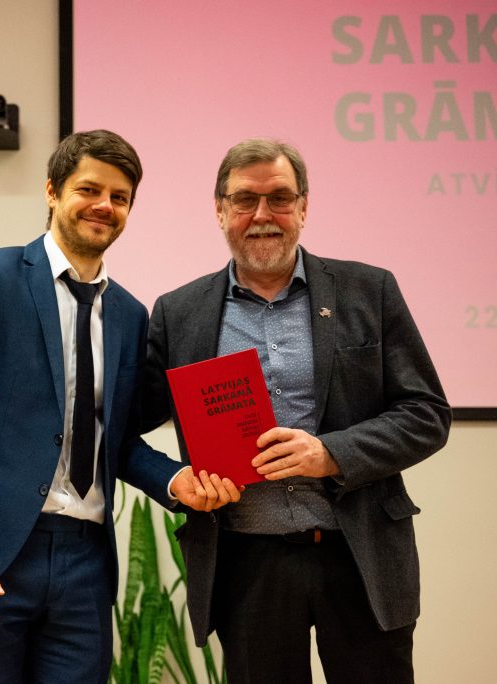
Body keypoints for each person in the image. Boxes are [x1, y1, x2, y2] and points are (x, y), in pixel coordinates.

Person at [0, 129, 240, 683]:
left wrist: (176, 480)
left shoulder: (130, 314)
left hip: (85, 564)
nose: (104, 205)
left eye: (120, 197)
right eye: (89, 189)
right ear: (52, 191)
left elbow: (115, 439)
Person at [143, 137, 452, 683]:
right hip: (246, 563)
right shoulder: (178, 312)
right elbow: (126, 422)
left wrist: (331, 453)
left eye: (280, 198)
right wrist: (174, 480)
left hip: (360, 555)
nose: (263, 215)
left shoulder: (369, 290)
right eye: (245, 199)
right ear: (220, 210)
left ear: (304, 207)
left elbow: (426, 414)